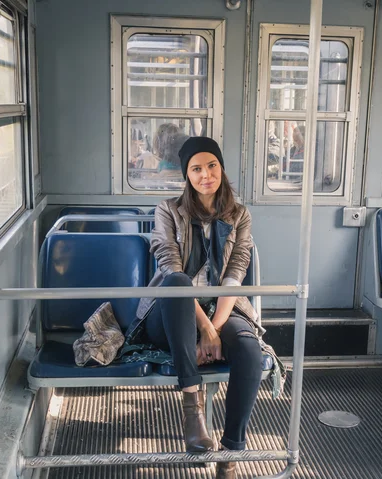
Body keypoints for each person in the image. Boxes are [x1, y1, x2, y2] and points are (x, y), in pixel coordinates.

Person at [125, 137, 263, 479]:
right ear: (187, 175)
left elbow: (236, 271)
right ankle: (192, 406)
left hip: (221, 306)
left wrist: (216, 326)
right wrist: (205, 328)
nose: (206, 175)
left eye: (212, 166)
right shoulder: (168, 210)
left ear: (221, 168)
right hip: (171, 312)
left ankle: (230, 453)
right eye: (197, 169)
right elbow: (171, 267)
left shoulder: (239, 214)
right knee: (177, 282)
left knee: (248, 348)